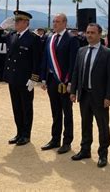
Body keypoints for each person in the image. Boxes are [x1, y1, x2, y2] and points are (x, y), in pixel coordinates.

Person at [69, 23, 110, 168]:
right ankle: (85, 150)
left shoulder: (108, 53)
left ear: (99, 34)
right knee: (85, 123)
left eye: (92, 33)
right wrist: (73, 91)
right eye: (88, 32)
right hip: (84, 95)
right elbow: (76, 72)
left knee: (102, 126)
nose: (89, 35)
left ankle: (103, 154)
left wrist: (109, 97)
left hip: (100, 97)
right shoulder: (81, 51)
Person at [0, 10, 41, 146]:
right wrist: (0, 27)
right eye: (15, 21)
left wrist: (34, 78)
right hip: (13, 78)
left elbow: (36, 60)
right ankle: (19, 132)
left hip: (26, 79)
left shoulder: (34, 38)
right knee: (16, 107)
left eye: (18, 21)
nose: (15, 23)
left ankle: (26, 135)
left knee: (26, 107)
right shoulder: (12, 35)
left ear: (26, 22)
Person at [40, 13, 79, 154]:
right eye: (53, 21)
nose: (54, 24)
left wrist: (69, 82)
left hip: (64, 82)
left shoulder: (72, 39)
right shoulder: (50, 38)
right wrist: (43, 78)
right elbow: (45, 59)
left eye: (57, 21)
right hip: (51, 81)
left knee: (67, 112)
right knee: (55, 112)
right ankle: (55, 139)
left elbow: (73, 63)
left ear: (65, 23)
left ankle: (67, 141)